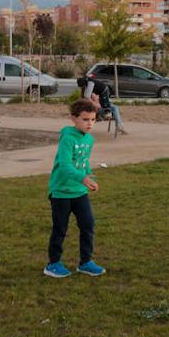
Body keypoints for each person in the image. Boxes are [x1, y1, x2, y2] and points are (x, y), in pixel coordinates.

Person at [44, 98, 105, 277]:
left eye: (93, 120)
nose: (90, 124)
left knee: (88, 225)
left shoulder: (89, 139)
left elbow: (83, 161)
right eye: (85, 119)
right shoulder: (67, 138)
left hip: (79, 192)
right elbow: (65, 164)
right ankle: (53, 264)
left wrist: (88, 176)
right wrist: (82, 178)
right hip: (61, 192)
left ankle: (85, 262)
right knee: (60, 229)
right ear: (74, 118)